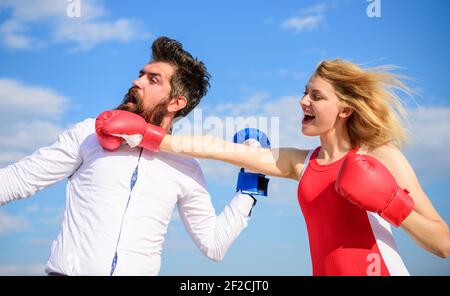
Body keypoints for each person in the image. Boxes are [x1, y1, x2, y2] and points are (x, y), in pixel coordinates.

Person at [99, 59, 450, 275]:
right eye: (305, 92)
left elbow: (443, 244)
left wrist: (392, 205)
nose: (303, 101)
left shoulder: (381, 156)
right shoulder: (303, 163)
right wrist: (147, 135)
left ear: (345, 109)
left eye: (316, 96)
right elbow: (219, 149)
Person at [0, 36, 258, 276]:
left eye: (153, 79)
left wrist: (250, 185)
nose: (138, 82)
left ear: (175, 103)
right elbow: (15, 182)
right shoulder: (88, 133)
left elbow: (214, 244)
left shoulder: (186, 165)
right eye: (140, 74)